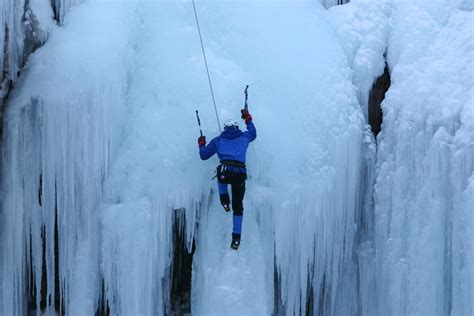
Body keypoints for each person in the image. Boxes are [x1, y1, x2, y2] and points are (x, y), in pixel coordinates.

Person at [198, 109, 256, 250]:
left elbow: (204, 155)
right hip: (239, 175)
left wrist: (201, 143)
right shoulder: (243, 137)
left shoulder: (218, 140)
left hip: (225, 173)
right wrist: (247, 119)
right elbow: (253, 133)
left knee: (221, 175)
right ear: (236, 127)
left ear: (225, 128)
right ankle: (236, 239)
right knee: (238, 207)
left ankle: (224, 202)